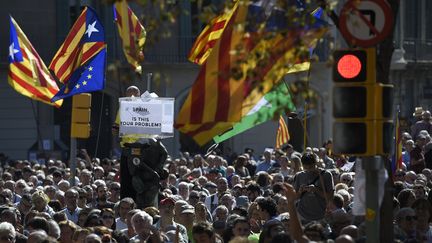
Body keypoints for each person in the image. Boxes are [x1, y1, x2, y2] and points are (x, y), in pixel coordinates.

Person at [293, 152, 334, 222]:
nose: (308, 170)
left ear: (315, 163)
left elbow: (330, 197)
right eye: (306, 167)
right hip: (302, 214)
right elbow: (295, 197)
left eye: (311, 167)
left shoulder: (326, 175)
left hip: (321, 216)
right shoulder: (299, 176)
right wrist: (300, 191)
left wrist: (315, 190)